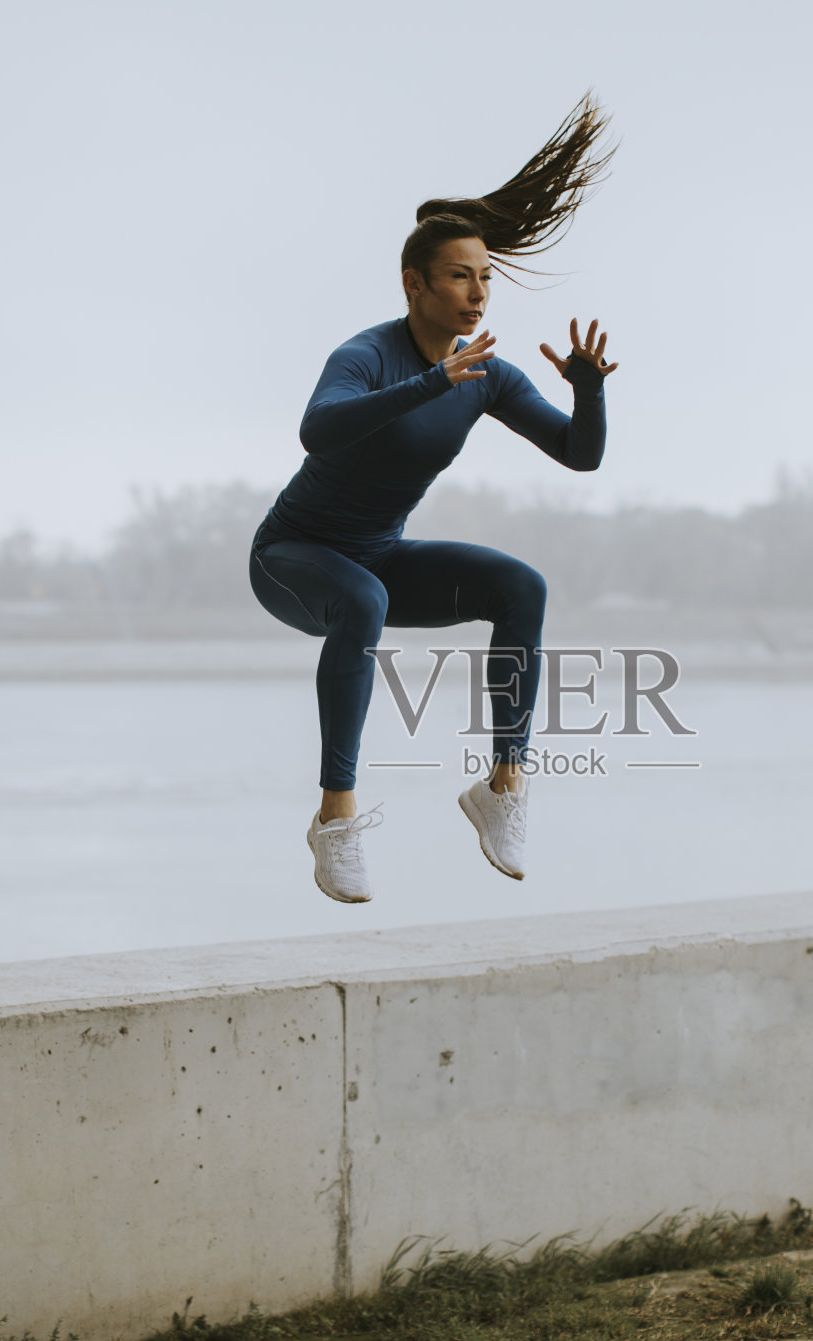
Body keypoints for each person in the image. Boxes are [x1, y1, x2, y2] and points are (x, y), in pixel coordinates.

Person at [249, 96, 618, 904]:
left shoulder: (487, 374)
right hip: (291, 559)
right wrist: (427, 383)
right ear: (414, 283)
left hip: (378, 558)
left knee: (520, 587)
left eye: (485, 278)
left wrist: (588, 392)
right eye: (460, 276)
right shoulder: (367, 355)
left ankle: (503, 788)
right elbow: (318, 431)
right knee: (362, 599)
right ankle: (335, 819)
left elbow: (579, 456)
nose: (477, 293)